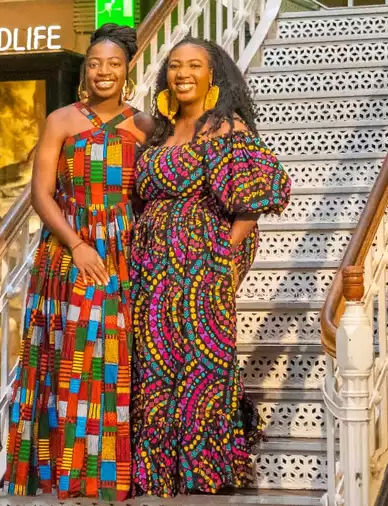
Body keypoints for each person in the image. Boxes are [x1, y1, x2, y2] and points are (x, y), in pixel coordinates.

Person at [129, 37, 291, 497]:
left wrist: (224, 252)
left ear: (212, 74)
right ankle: (160, 472)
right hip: (153, 267)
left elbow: (255, 196)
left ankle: (205, 471)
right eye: (175, 66)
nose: (183, 74)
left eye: (194, 66)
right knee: (156, 365)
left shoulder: (225, 126)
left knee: (202, 363)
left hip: (202, 263)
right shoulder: (159, 131)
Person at [4, 23, 153, 501]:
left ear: (127, 69)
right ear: (85, 70)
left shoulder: (145, 126)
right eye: (95, 63)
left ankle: (110, 478)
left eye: (113, 63)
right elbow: (40, 194)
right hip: (71, 251)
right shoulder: (62, 120)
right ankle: (66, 475)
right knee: (74, 355)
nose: (103, 71)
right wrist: (76, 244)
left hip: (125, 251)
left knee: (116, 358)